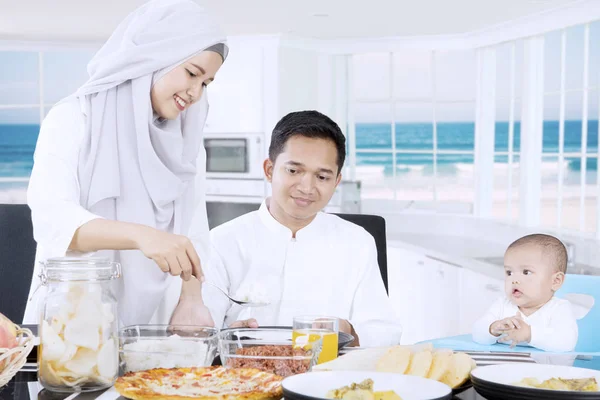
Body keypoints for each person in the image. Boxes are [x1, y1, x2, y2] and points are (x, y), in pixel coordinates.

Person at [24, 0, 228, 327]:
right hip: (74, 322)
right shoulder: (74, 118)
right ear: (153, 57)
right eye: (192, 73)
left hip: (156, 329)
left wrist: (192, 298)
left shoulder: (188, 141)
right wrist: (143, 236)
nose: (195, 93)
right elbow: (53, 220)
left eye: (205, 83)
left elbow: (194, 231)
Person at [196, 110, 402, 347]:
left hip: (329, 379)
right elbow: (198, 335)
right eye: (294, 171)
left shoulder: (357, 242)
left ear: (336, 182)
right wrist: (225, 338)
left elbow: (385, 333)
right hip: (245, 377)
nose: (307, 187)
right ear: (270, 170)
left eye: (322, 177)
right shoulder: (221, 242)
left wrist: (350, 333)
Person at [472, 234, 578, 352]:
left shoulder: (559, 308)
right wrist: (492, 329)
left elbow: (567, 342)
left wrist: (529, 334)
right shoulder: (502, 304)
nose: (514, 280)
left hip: (543, 368)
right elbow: (477, 333)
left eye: (526, 272)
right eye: (509, 273)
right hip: (505, 366)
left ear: (555, 281)